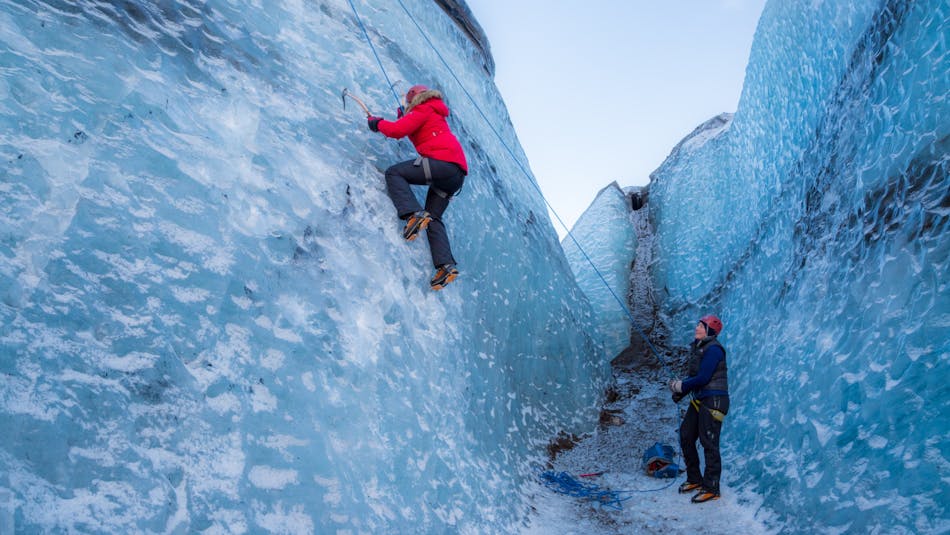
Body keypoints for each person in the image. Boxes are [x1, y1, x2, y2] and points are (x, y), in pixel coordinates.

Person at [367, 84, 468, 290]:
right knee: (434, 217)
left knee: (394, 173)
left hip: (442, 164)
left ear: (414, 99)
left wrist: (377, 123)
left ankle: (412, 214)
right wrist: (404, 115)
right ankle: (445, 267)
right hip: (455, 175)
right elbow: (412, 127)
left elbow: (397, 131)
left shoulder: (424, 109)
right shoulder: (433, 111)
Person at [668, 314, 729, 503]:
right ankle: (694, 478)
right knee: (686, 435)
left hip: (714, 402)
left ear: (709, 330)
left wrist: (681, 387)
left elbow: (703, 378)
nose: (696, 328)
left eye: (700, 326)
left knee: (709, 443)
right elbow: (697, 379)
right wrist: (681, 392)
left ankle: (712, 487)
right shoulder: (701, 348)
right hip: (701, 400)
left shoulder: (714, 350)